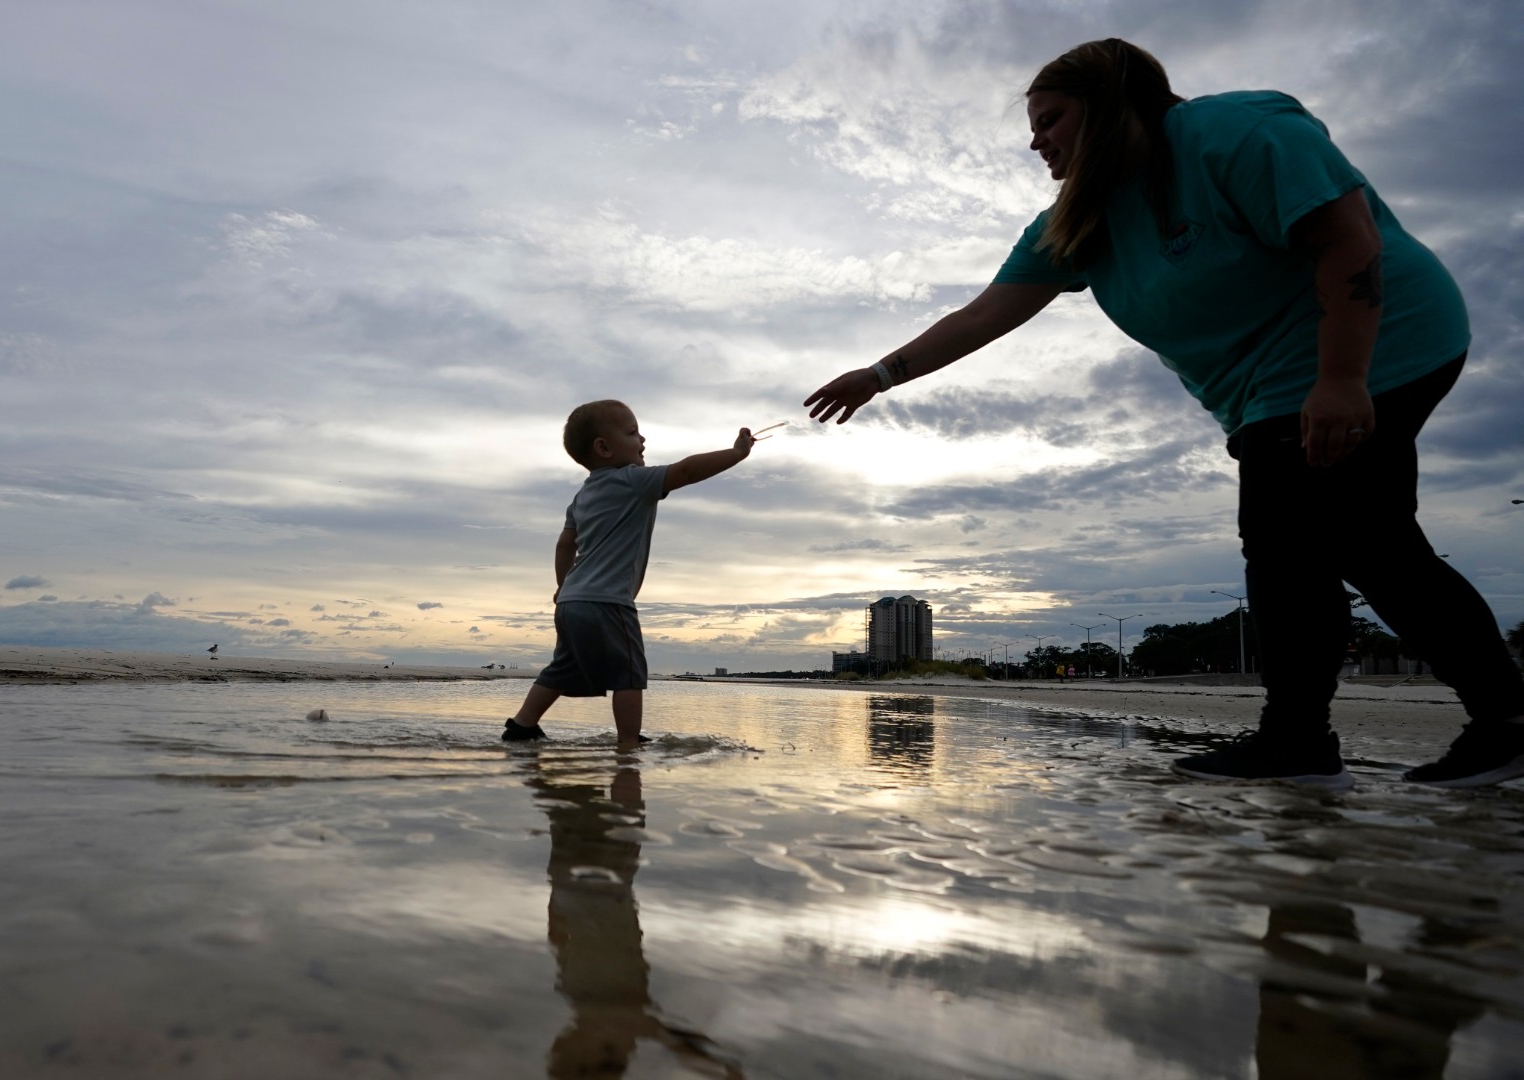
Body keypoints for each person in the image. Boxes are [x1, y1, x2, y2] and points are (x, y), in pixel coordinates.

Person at [803, 39, 1524, 790]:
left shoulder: (1231, 133)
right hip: (1267, 389)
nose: (1035, 140)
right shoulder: (1082, 221)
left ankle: (1306, 742)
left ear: (1111, 106)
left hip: (1380, 338)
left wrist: (1342, 378)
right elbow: (987, 313)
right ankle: (1466, 726)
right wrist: (880, 375)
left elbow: (1347, 238)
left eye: (1051, 119)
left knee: (1294, 535)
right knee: (1364, 544)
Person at [504, 401, 754, 746]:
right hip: (609, 602)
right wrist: (736, 453)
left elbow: (565, 545)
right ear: (603, 448)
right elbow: (685, 471)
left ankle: (522, 724)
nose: (642, 439)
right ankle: (627, 743)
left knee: (562, 668)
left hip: (571, 602)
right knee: (629, 675)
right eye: (632, 432)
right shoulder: (634, 481)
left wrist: (563, 586)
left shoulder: (581, 497)